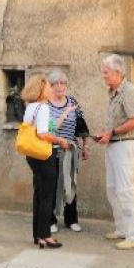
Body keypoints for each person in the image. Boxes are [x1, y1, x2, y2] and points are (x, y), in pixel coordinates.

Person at [93, 54, 134, 250]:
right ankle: (122, 228)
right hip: (115, 144)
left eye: (105, 72)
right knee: (113, 189)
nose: (103, 76)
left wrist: (112, 132)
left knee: (125, 190)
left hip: (125, 145)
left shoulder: (129, 92)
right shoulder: (114, 93)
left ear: (117, 72)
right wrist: (105, 134)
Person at [21, 73, 70, 249]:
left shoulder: (30, 107)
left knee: (38, 194)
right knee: (47, 195)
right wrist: (60, 141)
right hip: (44, 155)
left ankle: (38, 235)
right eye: (49, 86)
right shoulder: (43, 108)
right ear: (42, 89)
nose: (51, 89)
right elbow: (43, 133)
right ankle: (45, 235)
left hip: (32, 155)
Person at [47, 69, 89, 234]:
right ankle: (51, 220)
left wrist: (85, 146)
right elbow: (50, 129)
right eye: (56, 83)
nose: (60, 86)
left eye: (63, 83)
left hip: (71, 151)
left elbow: (82, 127)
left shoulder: (72, 102)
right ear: (50, 86)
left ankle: (71, 220)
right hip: (52, 150)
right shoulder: (46, 105)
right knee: (53, 185)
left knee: (71, 184)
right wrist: (64, 114)